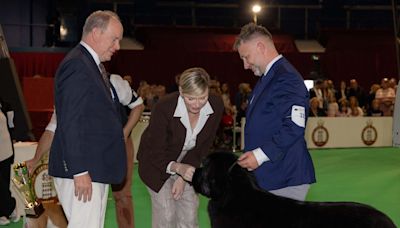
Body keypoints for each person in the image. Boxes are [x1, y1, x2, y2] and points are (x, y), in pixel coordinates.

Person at [27, 74, 144, 228]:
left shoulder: (113, 82)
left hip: (118, 143)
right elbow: (52, 130)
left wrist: (125, 132)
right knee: (88, 208)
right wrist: (35, 159)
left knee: (122, 195)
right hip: (89, 155)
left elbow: (138, 105)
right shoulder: (68, 93)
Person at [48, 10, 126, 228]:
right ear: (95, 33)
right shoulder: (78, 66)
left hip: (93, 168)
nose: (117, 46)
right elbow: (70, 122)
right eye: (114, 39)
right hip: (82, 170)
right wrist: (79, 170)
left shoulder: (89, 65)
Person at [233, 23, 316, 201]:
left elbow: (294, 127)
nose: (245, 65)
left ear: (260, 47)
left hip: (284, 177)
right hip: (270, 176)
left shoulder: (286, 78)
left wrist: (259, 155)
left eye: (246, 57)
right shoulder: (269, 77)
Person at [137, 67, 224, 228]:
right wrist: (177, 168)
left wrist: (183, 177)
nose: (197, 104)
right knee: (167, 214)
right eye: (191, 98)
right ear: (181, 91)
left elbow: (203, 145)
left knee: (190, 214)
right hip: (155, 162)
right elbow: (156, 150)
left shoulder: (216, 105)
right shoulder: (164, 107)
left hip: (189, 160)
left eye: (202, 97)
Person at [0, 98, 20, 225]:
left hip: (5, 152)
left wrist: (13, 138)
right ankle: (7, 209)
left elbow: (10, 125)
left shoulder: (4, 105)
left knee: (4, 184)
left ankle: (7, 210)